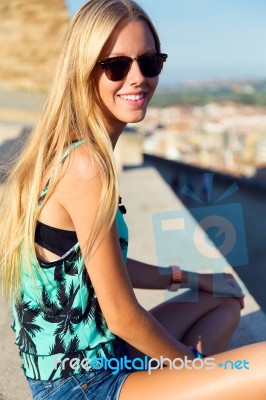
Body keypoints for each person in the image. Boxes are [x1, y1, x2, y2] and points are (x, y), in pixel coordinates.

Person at [0, 0, 265, 399]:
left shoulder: (74, 148)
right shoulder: (86, 164)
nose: (138, 78)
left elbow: (100, 265)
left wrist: (193, 278)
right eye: (116, 66)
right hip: (85, 383)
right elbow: (123, 317)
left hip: (100, 357)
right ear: (83, 71)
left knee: (224, 303)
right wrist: (188, 368)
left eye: (149, 62)